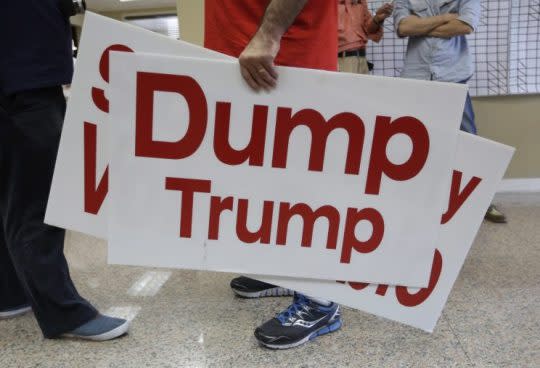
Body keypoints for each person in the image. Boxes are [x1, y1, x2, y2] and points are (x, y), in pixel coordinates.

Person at [205, 0, 342, 349]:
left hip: (282, 53)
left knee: (304, 184)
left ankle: (321, 301)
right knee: (260, 180)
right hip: (243, 52)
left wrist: (269, 33)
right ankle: (282, 271)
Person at [0, 0, 129, 340]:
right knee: (38, 204)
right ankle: (64, 314)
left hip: (22, 70)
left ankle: (10, 293)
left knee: (14, 193)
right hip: (22, 76)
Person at [393, 0, 507, 223]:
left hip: (454, 75)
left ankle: (479, 201)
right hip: (417, 77)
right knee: (413, 141)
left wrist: (422, 25)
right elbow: (403, 28)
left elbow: (466, 25)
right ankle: (414, 200)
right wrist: (446, 18)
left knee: (467, 140)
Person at [338, 0, 393, 74]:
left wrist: (377, 18)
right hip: (342, 59)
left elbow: (369, 30)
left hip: (362, 59)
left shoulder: (360, 2)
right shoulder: (329, 4)